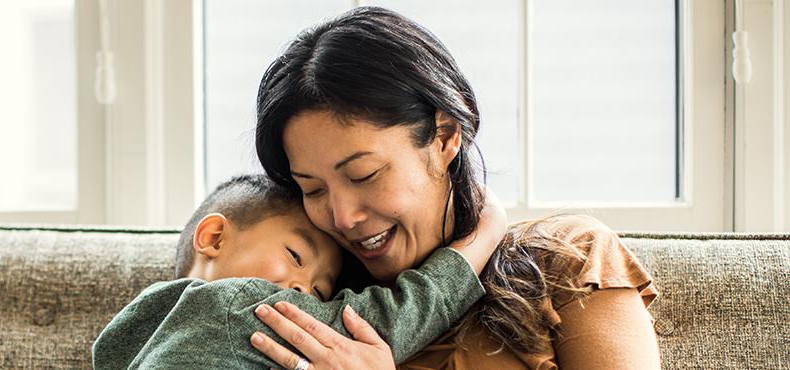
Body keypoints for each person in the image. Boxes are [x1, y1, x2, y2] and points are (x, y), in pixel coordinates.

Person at [250, 6, 661, 369]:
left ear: (445, 136)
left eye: (364, 175)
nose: (343, 218)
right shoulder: (309, 308)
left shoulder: (566, 261)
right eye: (313, 190)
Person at [91, 174, 506, 369]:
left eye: (321, 292)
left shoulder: (132, 332)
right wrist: (484, 234)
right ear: (214, 237)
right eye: (295, 256)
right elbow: (388, 319)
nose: (302, 290)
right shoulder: (237, 304)